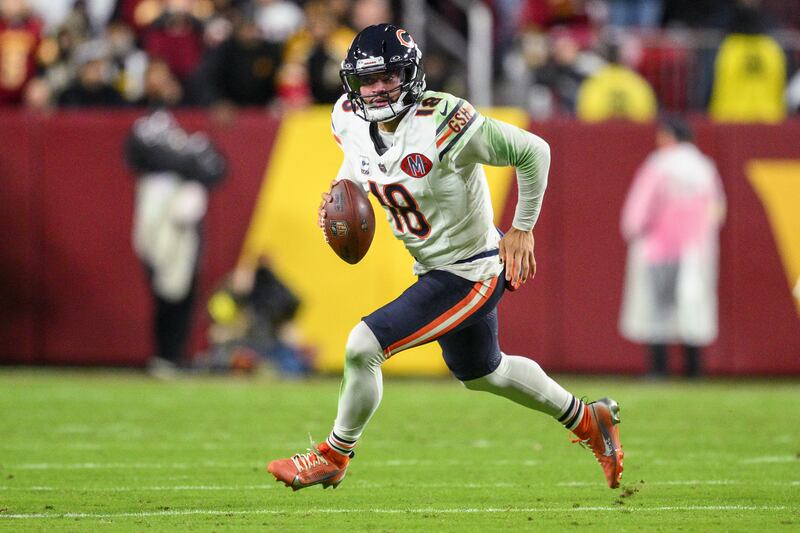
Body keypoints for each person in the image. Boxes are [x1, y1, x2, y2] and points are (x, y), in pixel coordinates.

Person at [267, 24, 624, 491]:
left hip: (471, 269)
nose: (375, 90)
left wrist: (522, 228)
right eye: (367, 80)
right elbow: (357, 162)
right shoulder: (348, 117)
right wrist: (341, 194)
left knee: (363, 346)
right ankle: (587, 419)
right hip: (435, 266)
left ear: (410, 75)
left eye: (387, 77)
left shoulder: (443, 120)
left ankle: (334, 454)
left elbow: (534, 151)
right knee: (484, 373)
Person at [619, 117, 726, 378]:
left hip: (657, 249)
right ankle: (694, 370)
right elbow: (717, 211)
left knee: (657, 311)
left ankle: (658, 370)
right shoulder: (705, 168)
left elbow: (637, 212)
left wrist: (633, 230)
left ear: (669, 136)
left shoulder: (659, 165)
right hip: (695, 251)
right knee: (693, 309)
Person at [125, 109, 226, 374]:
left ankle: (173, 355)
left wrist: (186, 160)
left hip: (184, 227)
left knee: (182, 287)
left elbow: (218, 169)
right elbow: (136, 153)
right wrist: (187, 161)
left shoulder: (192, 142)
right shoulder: (160, 138)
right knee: (165, 285)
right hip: (158, 215)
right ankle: (165, 355)